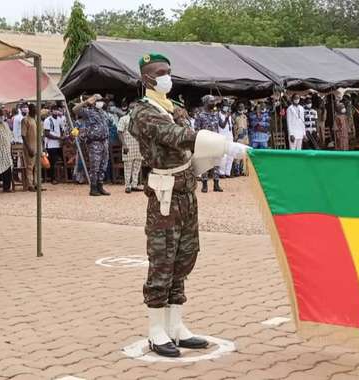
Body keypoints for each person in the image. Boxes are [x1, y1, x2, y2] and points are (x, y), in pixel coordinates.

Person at [129, 53, 249, 358]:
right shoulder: (143, 113)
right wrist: (224, 145)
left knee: (185, 256)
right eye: (161, 72)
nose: (167, 76)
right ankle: (157, 330)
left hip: (187, 191)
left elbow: (189, 142)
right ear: (147, 79)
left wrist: (214, 155)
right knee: (162, 259)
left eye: (169, 71)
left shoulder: (175, 108)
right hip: (165, 195)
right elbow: (177, 136)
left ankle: (176, 326)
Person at [73, 94, 111, 196]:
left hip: (104, 142)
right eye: (99, 100)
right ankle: (93, 188)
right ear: (93, 101)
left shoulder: (102, 112)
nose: (101, 102)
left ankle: (100, 186)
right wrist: (86, 102)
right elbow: (75, 109)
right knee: (95, 166)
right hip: (95, 142)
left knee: (103, 165)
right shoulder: (88, 112)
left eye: (101, 100)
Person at [194, 95, 223, 193]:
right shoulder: (200, 115)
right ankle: (205, 185)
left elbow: (219, 127)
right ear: (205, 102)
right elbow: (196, 129)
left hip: (215, 142)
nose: (213, 103)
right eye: (211, 101)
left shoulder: (215, 114)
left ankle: (216, 184)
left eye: (214, 101)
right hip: (205, 142)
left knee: (216, 163)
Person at [117, 102, 143, 193]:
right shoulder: (124, 119)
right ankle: (127, 186)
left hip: (138, 146)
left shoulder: (140, 120)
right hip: (128, 145)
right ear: (131, 108)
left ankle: (134, 185)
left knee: (137, 166)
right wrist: (124, 144)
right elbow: (119, 132)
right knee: (128, 166)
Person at [43, 106, 65, 184]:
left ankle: (62, 176)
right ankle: (52, 178)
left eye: (57, 110)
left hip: (59, 144)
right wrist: (58, 137)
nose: (56, 112)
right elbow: (47, 134)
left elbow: (61, 129)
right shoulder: (47, 120)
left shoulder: (60, 119)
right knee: (52, 162)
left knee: (62, 160)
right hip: (51, 145)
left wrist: (62, 137)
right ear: (51, 111)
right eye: (54, 110)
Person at [21, 104, 38, 192]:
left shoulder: (36, 120)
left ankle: (36, 184)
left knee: (37, 166)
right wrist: (28, 148)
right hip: (30, 146)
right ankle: (30, 185)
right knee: (30, 166)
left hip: (38, 146)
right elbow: (23, 135)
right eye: (34, 109)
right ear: (30, 110)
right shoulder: (25, 120)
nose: (35, 110)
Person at [218, 101, 234, 178]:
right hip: (222, 137)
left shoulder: (229, 115)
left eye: (227, 106)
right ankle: (221, 172)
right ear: (221, 106)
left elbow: (231, 127)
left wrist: (228, 117)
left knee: (230, 155)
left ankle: (228, 172)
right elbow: (222, 126)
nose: (226, 108)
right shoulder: (218, 115)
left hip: (230, 136)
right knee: (223, 156)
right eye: (225, 106)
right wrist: (227, 118)